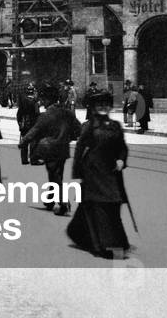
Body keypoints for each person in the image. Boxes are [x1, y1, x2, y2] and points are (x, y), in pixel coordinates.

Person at [66, 90, 130, 259]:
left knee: (112, 205)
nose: (103, 107)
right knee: (99, 206)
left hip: (111, 172)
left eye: (106, 104)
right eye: (99, 104)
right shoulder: (89, 126)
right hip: (93, 173)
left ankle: (80, 233)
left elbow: (122, 147)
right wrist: (77, 174)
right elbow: (79, 149)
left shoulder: (115, 126)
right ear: (94, 107)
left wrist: (121, 160)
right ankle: (105, 245)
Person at [19, 86, 81, 215]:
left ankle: (63, 202)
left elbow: (35, 131)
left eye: (44, 99)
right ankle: (50, 200)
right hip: (63, 149)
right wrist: (69, 137)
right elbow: (78, 128)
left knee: (54, 176)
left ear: (48, 100)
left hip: (50, 149)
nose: (42, 102)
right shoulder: (67, 113)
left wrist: (23, 141)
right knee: (57, 175)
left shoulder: (46, 115)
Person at [16, 84, 40, 165]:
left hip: (24, 124)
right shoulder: (35, 102)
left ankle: (24, 159)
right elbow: (37, 113)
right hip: (33, 124)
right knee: (33, 141)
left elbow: (18, 114)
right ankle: (33, 160)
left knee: (24, 141)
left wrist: (20, 124)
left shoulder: (23, 101)